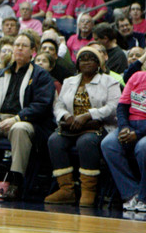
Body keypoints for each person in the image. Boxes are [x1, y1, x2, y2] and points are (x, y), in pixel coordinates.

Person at [0, 32, 56, 201]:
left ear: (33, 52)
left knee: (19, 129)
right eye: (17, 45)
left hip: (27, 122)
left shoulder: (41, 76)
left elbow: (41, 105)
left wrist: (16, 118)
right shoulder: (0, 74)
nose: (19, 48)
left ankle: (15, 181)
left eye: (24, 46)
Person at [44, 47, 120, 208]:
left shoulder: (109, 81)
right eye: (82, 59)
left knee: (86, 142)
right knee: (54, 140)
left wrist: (89, 115)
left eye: (91, 59)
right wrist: (66, 116)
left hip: (99, 126)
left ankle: (88, 191)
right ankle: (66, 189)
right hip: (71, 126)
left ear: (99, 63)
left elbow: (114, 107)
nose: (86, 62)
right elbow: (58, 105)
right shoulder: (68, 81)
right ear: (77, 64)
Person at [101, 53, 146, 215]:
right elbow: (122, 106)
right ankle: (131, 193)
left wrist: (137, 134)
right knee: (109, 144)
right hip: (130, 123)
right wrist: (124, 127)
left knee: (145, 147)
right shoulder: (138, 77)